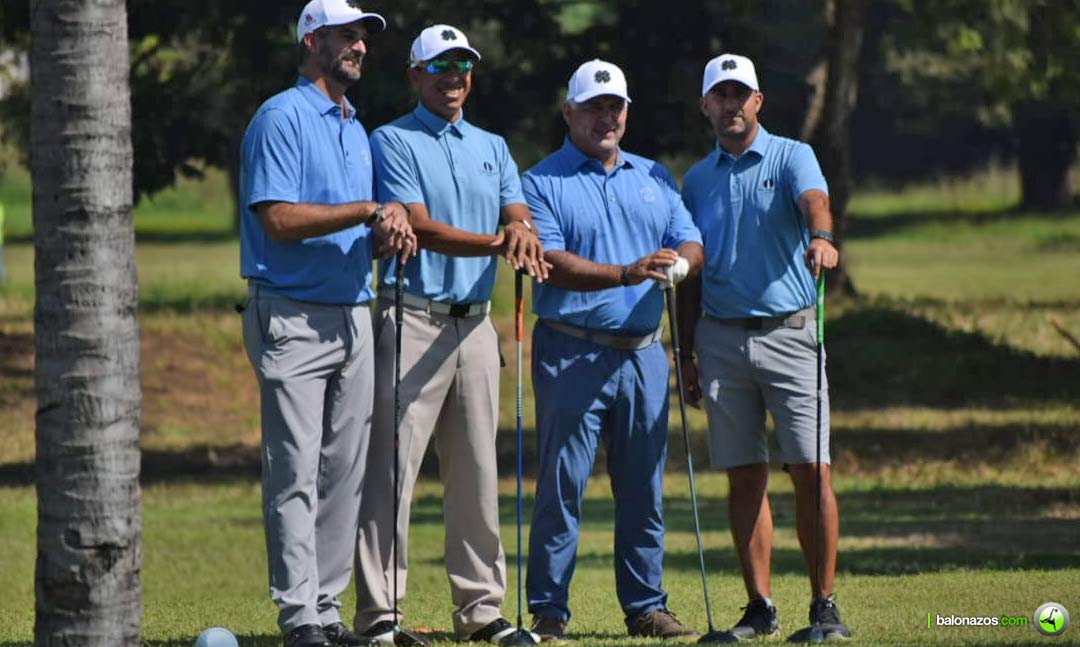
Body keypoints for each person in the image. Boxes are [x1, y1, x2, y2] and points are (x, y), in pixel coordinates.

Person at [352, 24, 547, 647]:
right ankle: (380, 615)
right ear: (416, 74)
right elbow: (420, 226)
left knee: (477, 474)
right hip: (411, 317)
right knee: (392, 474)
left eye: (461, 65)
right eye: (439, 67)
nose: (453, 77)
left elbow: (517, 212)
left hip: (476, 326)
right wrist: (500, 241)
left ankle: (482, 611)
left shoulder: (493, 145)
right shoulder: (392, 140)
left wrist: (520, 231)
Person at [237, 2, 416, 646]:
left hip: (352, 314)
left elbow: (352, 227)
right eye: (347, 35)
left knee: (343, 472)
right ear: (312, 40)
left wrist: (387, 231)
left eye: (363, 37)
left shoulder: (353, 126)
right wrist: (369, 209)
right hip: (291, 316)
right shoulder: (280, 117)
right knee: (295, 471)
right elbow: (278, 219)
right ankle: (298, 617)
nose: (360, 46)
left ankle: (327, 608)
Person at [522, 59, 704, 642]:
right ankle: (549, 610)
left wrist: (678, 266)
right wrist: (627, 273)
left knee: (644, 488)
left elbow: (690, 240)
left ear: (626, 113)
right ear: (569, 112)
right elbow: (551, 262)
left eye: (615, 107)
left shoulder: (654, 175)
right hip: (571, 350)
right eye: (594, 107)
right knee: (562, 486)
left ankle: (646, 607)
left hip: (644, 354)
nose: (606, 117)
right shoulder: (541, 182)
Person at [675, 53, 852, 642]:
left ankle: (823, 604)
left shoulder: (792, 156)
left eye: (740, 94)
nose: (731, 104)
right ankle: (760, 607)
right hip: (720, 339)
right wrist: (684, 354)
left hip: (790, 334)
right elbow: (691, 273)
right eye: (720, 95)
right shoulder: (697, 179)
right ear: (706, 105)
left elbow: (815, 202)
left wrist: (822, 238)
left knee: (812, 470)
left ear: (758, 101)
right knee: (744, 476)